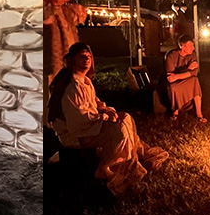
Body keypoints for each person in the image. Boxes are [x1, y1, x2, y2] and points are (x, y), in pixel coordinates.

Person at [48, 43, 168, 195]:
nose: (87, 59)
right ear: (72, 60)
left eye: (89, 57)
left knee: (126, 118)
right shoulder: (72, 88)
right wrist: (104, 118)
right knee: (118, 130)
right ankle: (105, 168)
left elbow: (95, 102)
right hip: (76, 133)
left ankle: (135, 154)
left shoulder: (84, 81)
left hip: (88, 125)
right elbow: (78, 120)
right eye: (82, 57)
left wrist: (105, 109)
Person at [41, 0, 87, 80]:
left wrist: (78, 11)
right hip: (53, 53)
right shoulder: (45, 10)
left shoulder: (66, 11)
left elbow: (78, 17)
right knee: (55, 76)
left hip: (68, 48)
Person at [165, 35, 205, 122]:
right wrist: (188, 70)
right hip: (174, 82)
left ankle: (199, 114)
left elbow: (194, 73)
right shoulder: (171, 56)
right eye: (190, 46)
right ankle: (175, 112)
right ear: (182, 46)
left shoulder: (192, 55)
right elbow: (170, 78)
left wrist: (177, 76)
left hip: (184, 79)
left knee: (195, 80)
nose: (193, 48)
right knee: (173, 87)